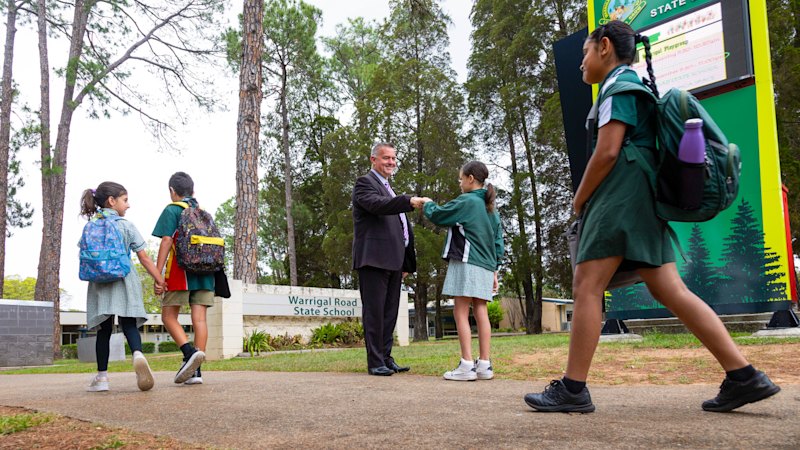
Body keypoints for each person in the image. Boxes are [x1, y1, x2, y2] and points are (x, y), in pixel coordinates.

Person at [524, 20, 780, 413]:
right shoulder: (630, 85)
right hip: (640, 197)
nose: (581, 63)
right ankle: (744, 376)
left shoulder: (620, 87)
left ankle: (573, 389)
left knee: (586, 285)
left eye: (585, 53)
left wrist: (580, 198)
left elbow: (608, 151)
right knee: (670, 290)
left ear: (605, 46)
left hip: (620, 196)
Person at [418, 161, 503, 381]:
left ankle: (466, 364)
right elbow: (498, 241)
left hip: (467, 260)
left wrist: (427, 203)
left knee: (460, 311)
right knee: (481, 310)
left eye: (460, 178)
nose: (459, 182)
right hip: (487, 265)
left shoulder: (467, 201)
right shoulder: (490, 207)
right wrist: (495, 270)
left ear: (470, 178)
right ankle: (484, 364)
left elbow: (439, 215)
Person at [81, 182, 163, 392]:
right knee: (129, 324)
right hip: (124, 279)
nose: (128, 205)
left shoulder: (90, 226)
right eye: (125, 200)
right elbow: (144, 258)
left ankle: (102, 378)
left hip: (99, 284)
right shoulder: (125, 225)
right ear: (112, 201)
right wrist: (159, 279)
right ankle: (137, 354)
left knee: (104, 330)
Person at [352, 143, 426, 376]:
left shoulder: (388, 188)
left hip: (394, 261)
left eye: (394, 158)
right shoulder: (364, 183)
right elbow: (377, 205)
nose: (391, 162)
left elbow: (400, 227)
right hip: (374, 259)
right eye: (386, 158)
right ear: (373, 159)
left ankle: (386, 357)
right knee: (375, 313)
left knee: (389, 313)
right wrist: (408, 201)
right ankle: (375, 362)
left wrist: (406, 261)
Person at [152, 172, 211, 385]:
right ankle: (196, 372)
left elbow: (167, 241)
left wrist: (158, 274)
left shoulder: (172, 209)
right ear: (193, 191)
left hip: (181, 272)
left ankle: (188, 354)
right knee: (200, 320)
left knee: (168, 316)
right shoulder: (203, 212)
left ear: (172, 191)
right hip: (206, 271)